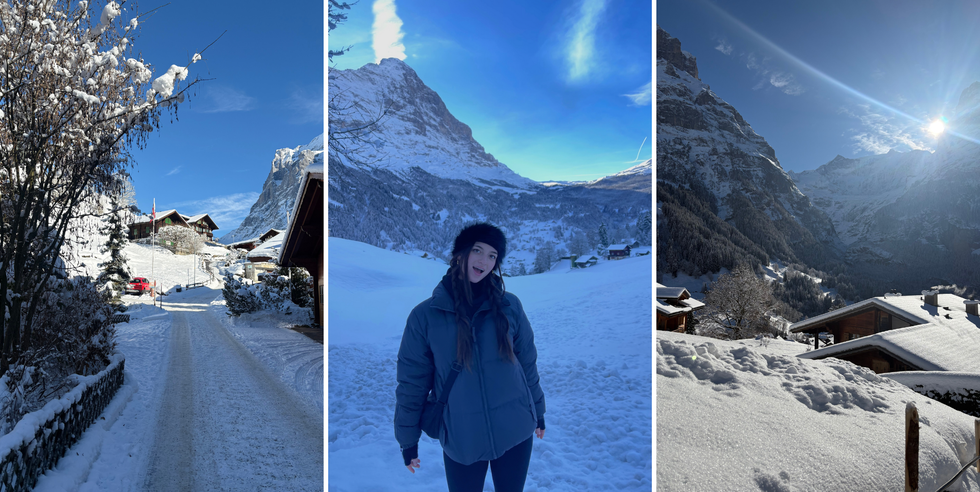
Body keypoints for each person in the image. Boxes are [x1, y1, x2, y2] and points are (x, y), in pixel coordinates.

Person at [394, 223, 546, 492]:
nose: (484, 261)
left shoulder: (510, 306)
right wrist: (408, 440)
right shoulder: (425, 316)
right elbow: (412, 383)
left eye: (492, 255)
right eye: (477, 250)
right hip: (462, 436)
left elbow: (527, 364)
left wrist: (539, 411)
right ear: (459, 254)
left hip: (517, 428)